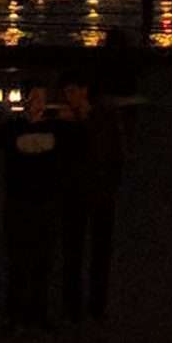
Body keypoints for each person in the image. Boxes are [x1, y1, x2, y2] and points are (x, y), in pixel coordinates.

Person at [57, 71, 125, 324]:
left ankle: (87, 305)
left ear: (84, 91)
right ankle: (83, 305)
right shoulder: (101, 116)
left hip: (92, 192)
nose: (67, 97)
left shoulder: (96, 118)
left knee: (87, 252)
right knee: (83, 252)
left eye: (71, 91)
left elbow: (113, 154)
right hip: (90, 192)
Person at [0, 85, 63, 333]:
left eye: (42, 98)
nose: (38, 103)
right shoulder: (14, 128)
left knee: (43, 263)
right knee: (18, 262)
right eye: (33, 98)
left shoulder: (55, 128)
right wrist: (6, 117)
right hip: (19, 203)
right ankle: (15, 315)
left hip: (45, 203)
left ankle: (38, 313)